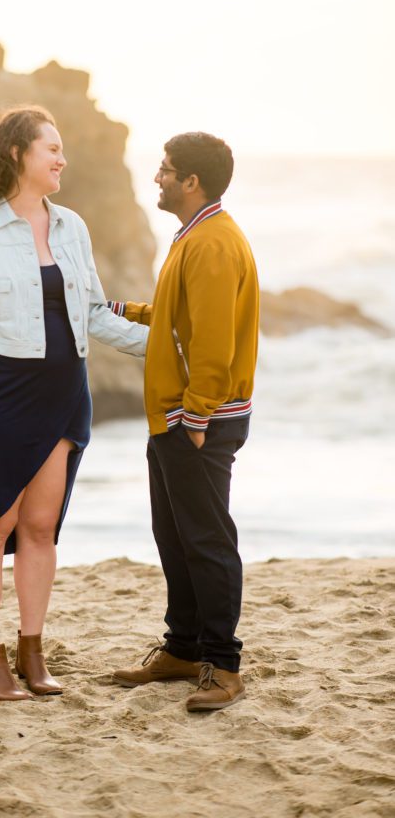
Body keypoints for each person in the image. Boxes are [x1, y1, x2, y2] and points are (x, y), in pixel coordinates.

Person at [0, 105, 148, 702]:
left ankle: (31, 650)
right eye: (50, 147)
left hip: (63, 394)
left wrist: (165, 350)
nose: (61, 158)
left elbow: (96, 314)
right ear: (16, 154)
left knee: (40, 527)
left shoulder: (72, 226)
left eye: (62, 148)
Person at [109, 132, 259, 711]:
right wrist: (121, 311)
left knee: (207, 540)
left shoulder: (215, 243)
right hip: (172, 415)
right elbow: (181, 316)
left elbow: (215, 344)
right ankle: (182, 647)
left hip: (198, 419)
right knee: (173, 534)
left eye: (166, 170)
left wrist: (197, 417)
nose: (158, 178)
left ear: (191, 181)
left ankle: (222, 665)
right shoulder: (195, 236)